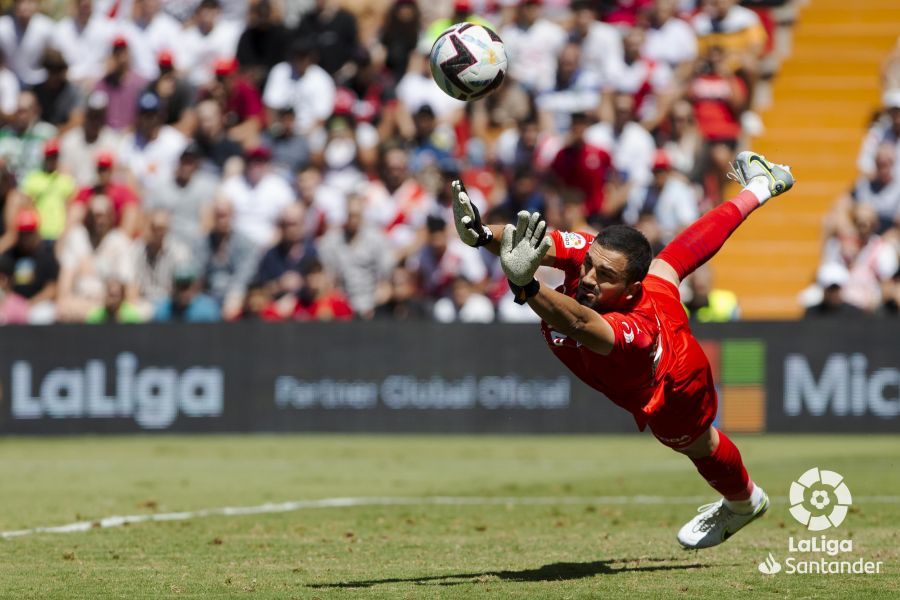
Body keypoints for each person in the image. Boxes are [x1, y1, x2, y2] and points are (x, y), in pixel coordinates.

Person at [450, 150, 796, 549]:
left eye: (606, 276)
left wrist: (526, 287)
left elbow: (579, 323)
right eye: (590, 265)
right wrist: (480, 234)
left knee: (701, 444)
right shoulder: (594, 257)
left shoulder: (635, 331)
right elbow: (529, 244)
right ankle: (759, 187)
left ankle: (745, 502)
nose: (590, 278)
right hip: (652, 295)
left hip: (673, 384)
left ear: (631, 289)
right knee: (670, 264)